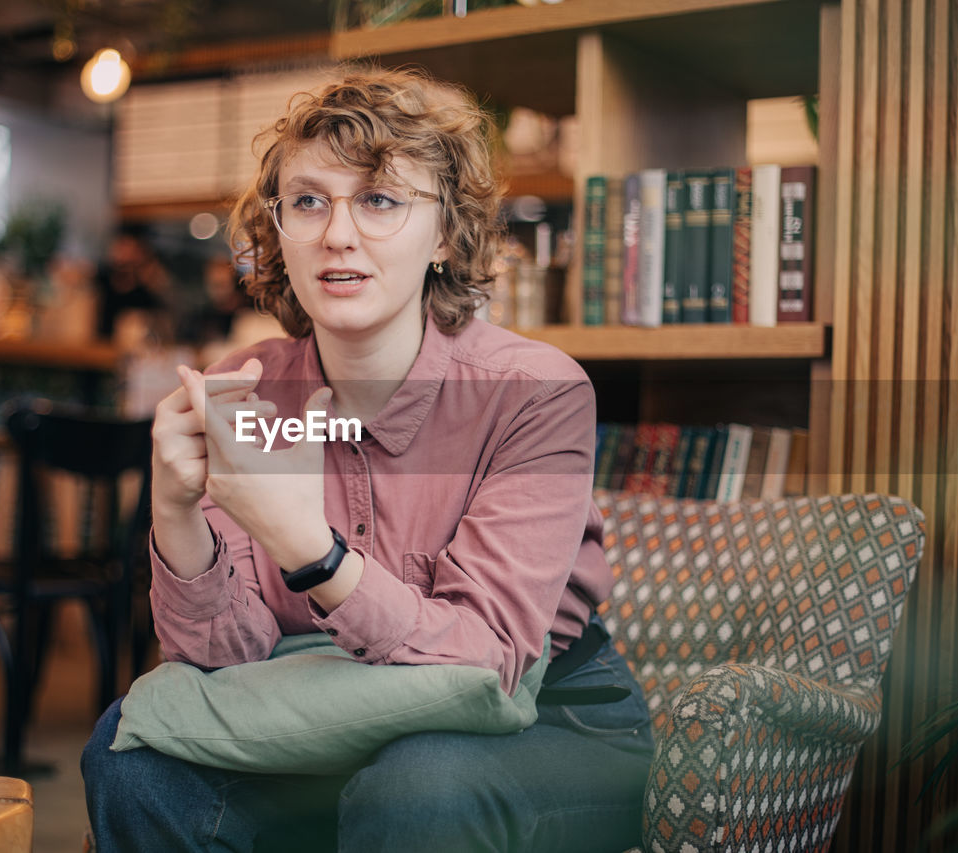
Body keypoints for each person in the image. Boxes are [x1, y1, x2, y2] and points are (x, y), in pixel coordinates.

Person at [82, 67, 654, 852]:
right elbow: (229, 656)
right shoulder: (242, 389)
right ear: (278, 229)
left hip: (549, 716)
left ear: (446, 233)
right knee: (132, 766)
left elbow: (487, 658)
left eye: (380, 200)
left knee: (417, 785)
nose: (337, 233)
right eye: (308, 201)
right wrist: (177, 514)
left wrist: (310, 552)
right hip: (330, 705)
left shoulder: (535, 393)